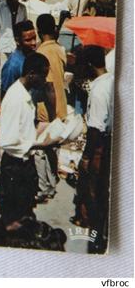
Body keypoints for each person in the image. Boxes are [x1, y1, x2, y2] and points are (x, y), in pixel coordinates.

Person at [0, 53, 58, 229]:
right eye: (43, 75)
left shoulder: (25, 95)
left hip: (24, 166)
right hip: (14, 169)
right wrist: (40, 144)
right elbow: (7, 141)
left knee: (25, 214)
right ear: (31, 74)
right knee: (13, 220)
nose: (45, 80)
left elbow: (23, 130)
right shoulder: (16, 99)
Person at [72, 45, 114, 253]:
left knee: (94, 195)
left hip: (99, 149)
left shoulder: (98, 91)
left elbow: (96, 130)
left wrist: (86, 159)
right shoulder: (111, 82)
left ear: (88, 66)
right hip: (107, 146)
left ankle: (96, 240)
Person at [33, 14, 67, 203]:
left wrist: (52, 114)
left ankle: (44, 187)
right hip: (61, 106)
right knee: (52, 149)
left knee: (39, 149)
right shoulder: (59, 49)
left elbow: (49, 87)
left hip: (48, 109)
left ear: (39, 31)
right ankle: (52, 182)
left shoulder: (42, 53)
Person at [0, 0, 28, 73]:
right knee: (3, 71)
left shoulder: (22, 8)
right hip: (4, 46)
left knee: (17, 71)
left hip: (18, 46)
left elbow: (25, 27)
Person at [0, 20, 37, 98]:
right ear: (17, 41)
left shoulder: (32, 57)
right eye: (28, 40)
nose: (33, 43)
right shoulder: (12, 66)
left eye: (34, 38)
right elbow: (5, 94)